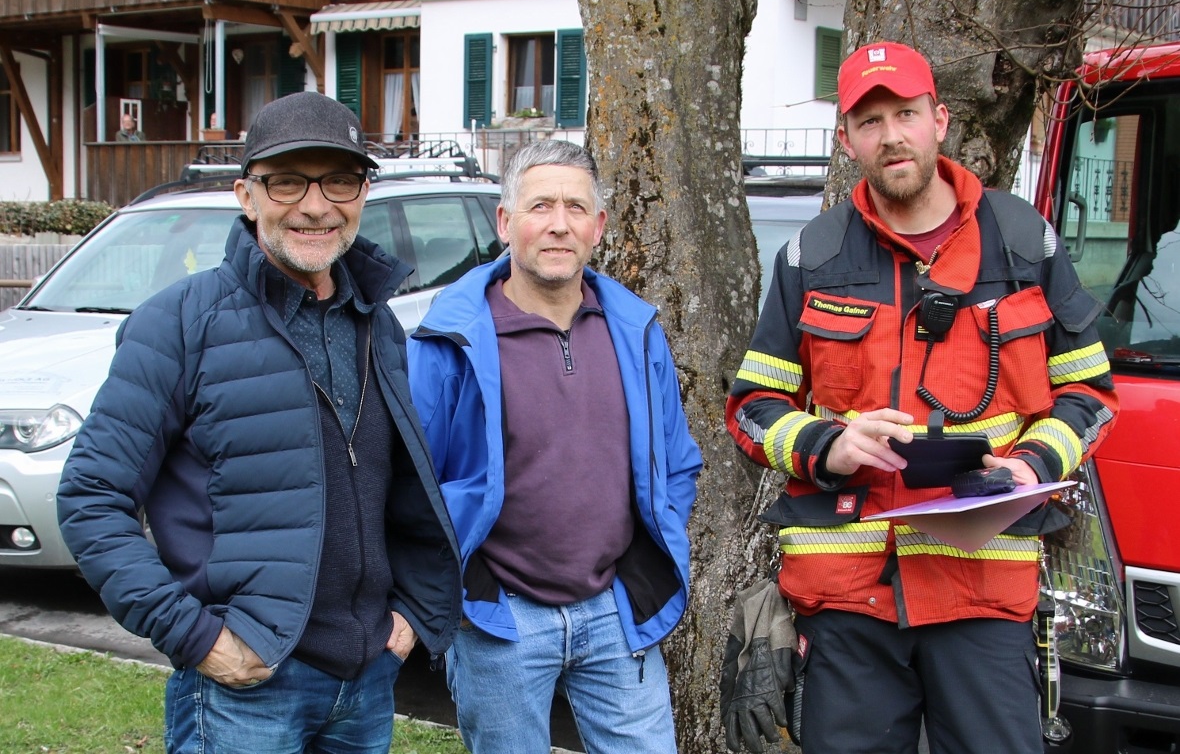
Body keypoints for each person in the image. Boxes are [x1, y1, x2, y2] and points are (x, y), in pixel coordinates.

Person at [725, 42, 1119, 754]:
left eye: (905, 113)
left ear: (939, 119)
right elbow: (753, 408)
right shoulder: (811, 257)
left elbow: (1089, 392)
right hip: (849, 597)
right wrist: (827, 444)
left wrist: (1030, 466)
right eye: (870, 121)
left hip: (983, 589)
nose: (891, 135)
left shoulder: (1023, 242)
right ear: (847, 141)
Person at [57, 91, 462, 754]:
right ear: (247, 196)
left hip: (365, 679)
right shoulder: (182, 323)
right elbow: (91, 498)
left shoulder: (378, 324)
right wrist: (197, 638)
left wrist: (411, 613)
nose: (315, 205)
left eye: (340, 180)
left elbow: (397, 487)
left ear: (364, 192)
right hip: (246, 686)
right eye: (286, 182)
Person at [407, 139, 703, 753]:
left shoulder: (636, 329)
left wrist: (643, 566)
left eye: (575, 207)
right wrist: (465, 591)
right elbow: (411, 482)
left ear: (598, 226)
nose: (558, 224)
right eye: (540, 205)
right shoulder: (448, 340)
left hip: (616, 613)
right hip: (499, 619)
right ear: (505, 221)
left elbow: (676, 462)